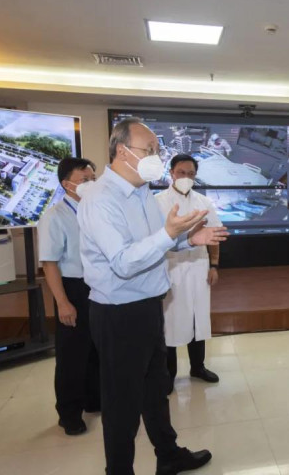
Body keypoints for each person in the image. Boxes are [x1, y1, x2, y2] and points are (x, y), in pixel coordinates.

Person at [78, 118, 230, 475]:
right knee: (122, 405)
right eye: (149, 150)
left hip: (148, 306)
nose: (155, 158)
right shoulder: (100, 199)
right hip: (119, 313)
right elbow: (123, 262)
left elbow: (153, 244)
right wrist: (168, 234)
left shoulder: (141, 191)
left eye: (157, 151)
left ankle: (168, 454)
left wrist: (187, 240)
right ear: (122, 151)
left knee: (154, 389)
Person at [38, 157, 100, 436]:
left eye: (93, 179)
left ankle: (94, 399)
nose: (91, 184)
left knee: (96, 349)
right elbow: (49, 263)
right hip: (72, 288)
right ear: (67, 184)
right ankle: (69, 413)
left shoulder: (95, 210)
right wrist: (63, 302)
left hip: (99, 286)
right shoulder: (55, 216)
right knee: (72, 355)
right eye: (85, 180)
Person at [155, 155, 223, 392]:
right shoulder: (157, 202)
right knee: (172, 321)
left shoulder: (204, 202)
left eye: (191, 174)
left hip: (199, 267)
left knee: (197, 317)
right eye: (181, 173)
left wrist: (214, 265)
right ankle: (169, 374)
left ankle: (198, 367)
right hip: (171, 268)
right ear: (171, 173)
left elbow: (214, 235)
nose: (186, 177)